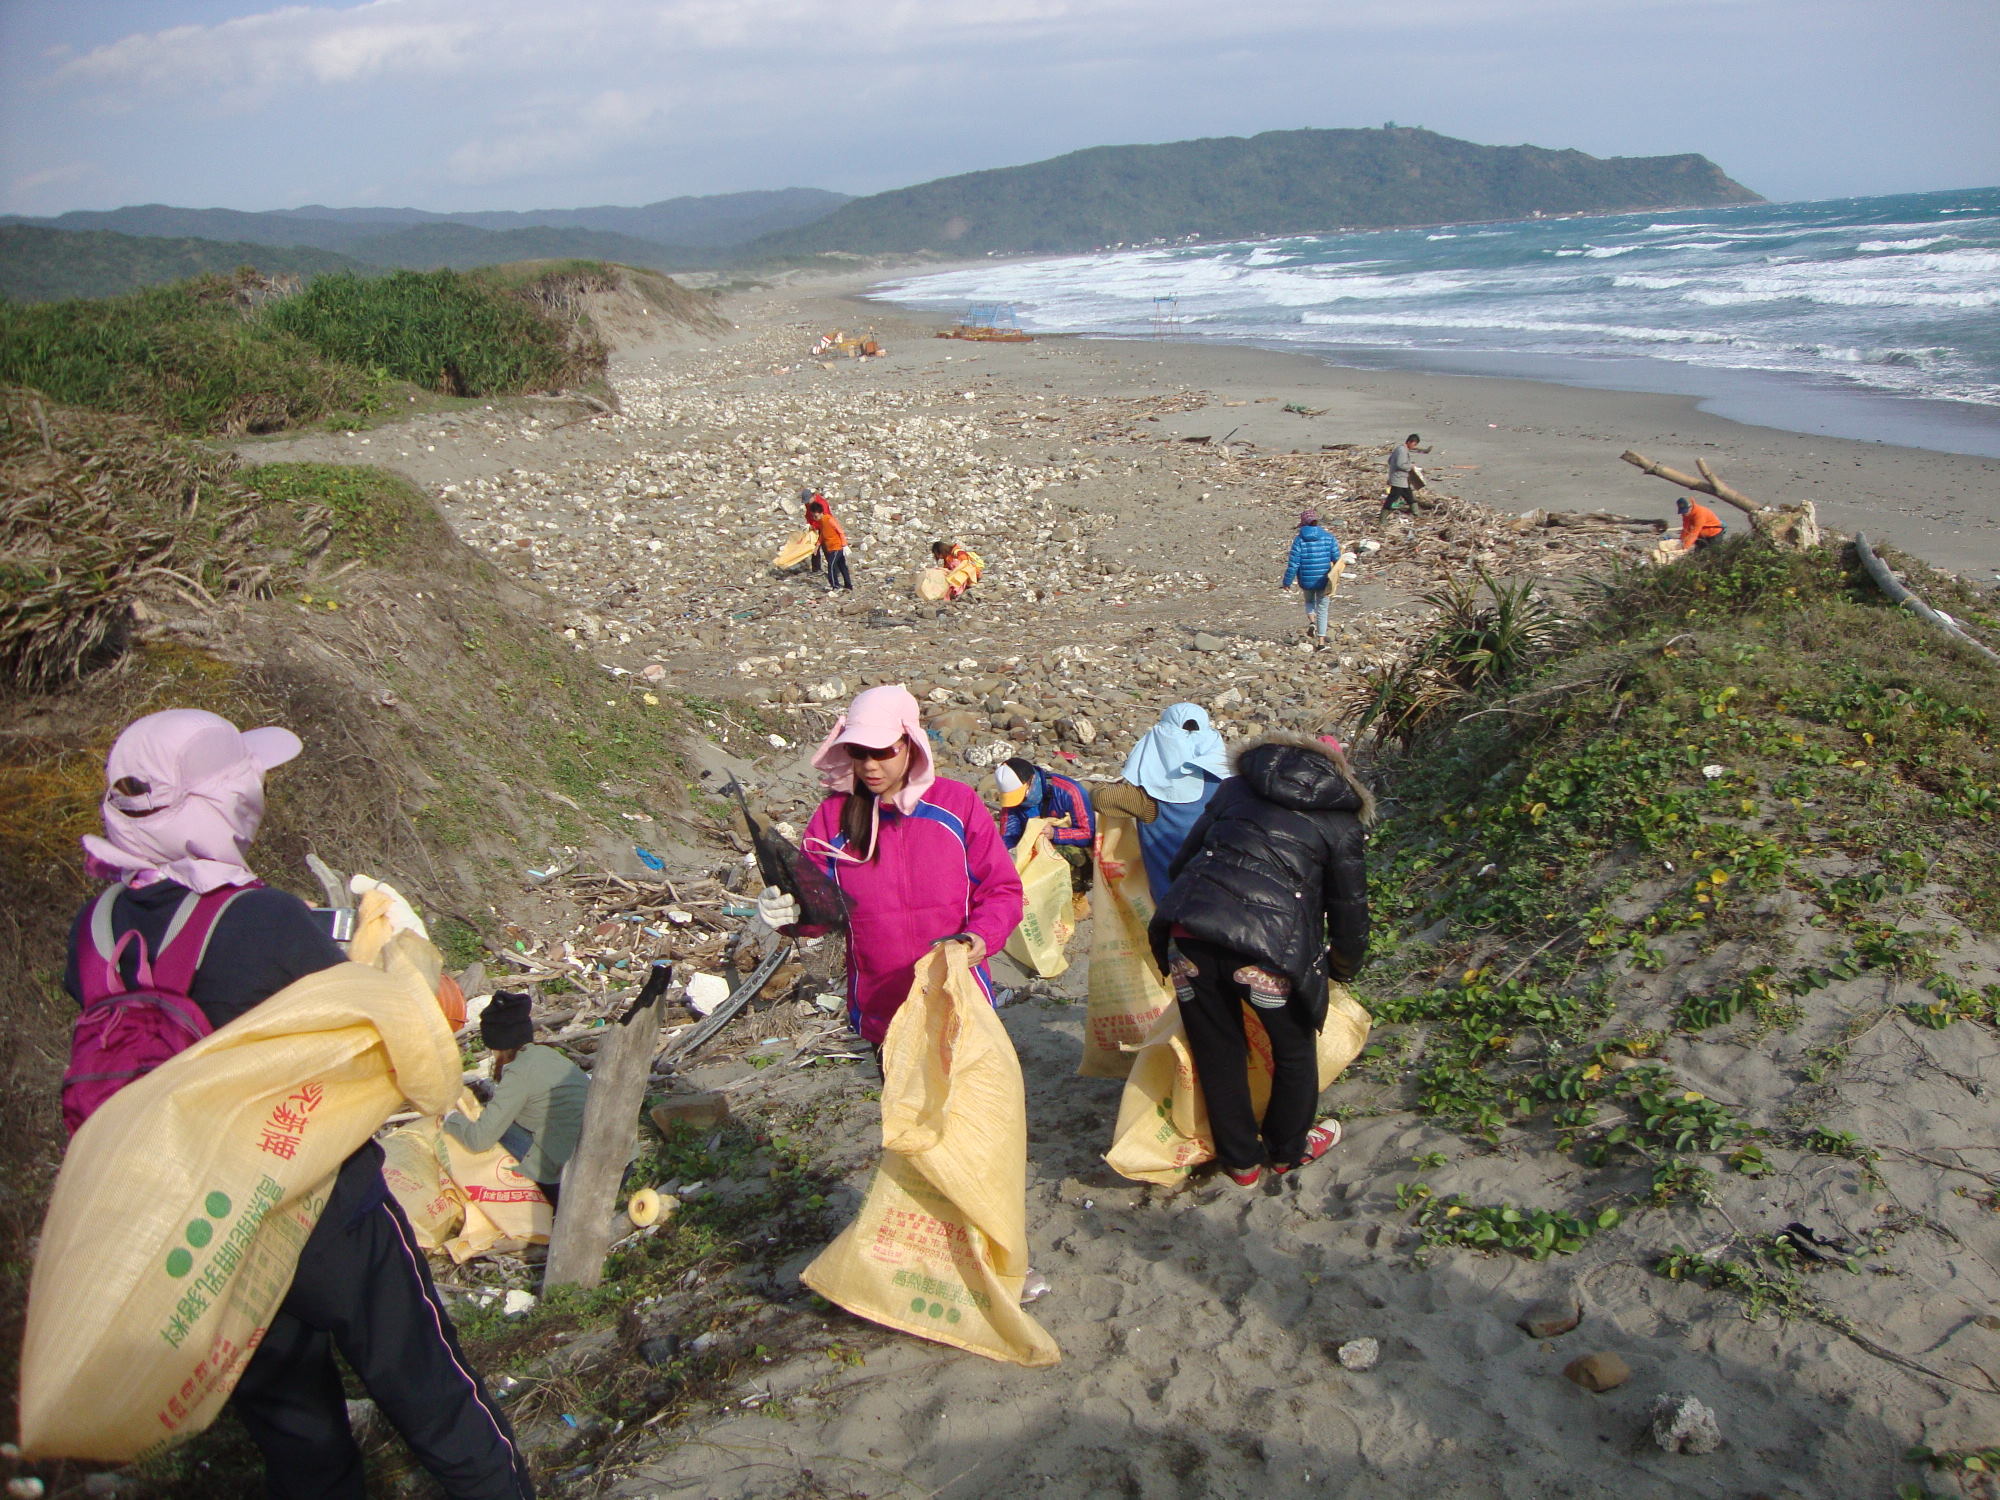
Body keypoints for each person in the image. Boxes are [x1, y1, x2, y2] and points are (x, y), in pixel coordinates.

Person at [62, 708, 532, 1499]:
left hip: (205, 1225)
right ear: (223, 801)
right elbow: (389, 1047)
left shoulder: (94, 929)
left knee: (299, 1444)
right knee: (432, 1397)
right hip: (322, 1204)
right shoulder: (263, 919)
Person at [1147, 731, 1372, 1187]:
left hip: (1188, 939)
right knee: (1293, 1051)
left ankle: (1242, 1162)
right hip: (1264, 955)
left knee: (1218, 1049)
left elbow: (1182, 863)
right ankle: (1288, 1151)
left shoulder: (1235, 790)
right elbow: (1348, 908)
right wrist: (1342, 967)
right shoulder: (1341, 821)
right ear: (1338, 771)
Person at [756, 685, 1022, 1046]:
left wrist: (981, 936)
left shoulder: (956, 804)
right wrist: (788, 914)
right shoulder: (832, 819)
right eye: (858, 752)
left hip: (959, 1000)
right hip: (884, 1012)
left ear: (910, 742)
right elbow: (817, 913)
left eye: (882, 751)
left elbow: (1001, 889)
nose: (869, 765)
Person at [443, 991, 586, 1211]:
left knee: (501, 1129)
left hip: (576, 1180)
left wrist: (451, 1120)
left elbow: (479, 1139)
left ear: (497, 1044)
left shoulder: (518, 1073)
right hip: (615, 1161)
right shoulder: (548, 1055)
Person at [1092, 704, 1232, 899]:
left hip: (1174, 902)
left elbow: (1102, 799)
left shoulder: (1149, 800)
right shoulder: (1232, 786)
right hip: (1227, 894)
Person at [994, 757, 1097, 918]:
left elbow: (1087, 833)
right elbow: (1007, 836)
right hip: (1035, 849)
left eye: (1022, 796)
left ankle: (1076, 897)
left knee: (1074, 856)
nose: (1020, 802)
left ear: (1032, 781)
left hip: (1070, 847)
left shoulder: (1068, 791)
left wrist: (1055, 834)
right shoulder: (1012, 804)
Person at [1280, 509, 1342, 642]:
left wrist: (1287, 582)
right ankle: (1321, 642)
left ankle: (1312, 622)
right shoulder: (1328, 537)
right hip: (1324, 579)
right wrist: (1336, 577)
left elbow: (1293, 564)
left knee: (1309, 602)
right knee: (1323, 609)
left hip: (1306, 580)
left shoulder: (1299, 540)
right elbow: (1337, 559)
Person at [805, 494, 852, 591]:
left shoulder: (829, 520)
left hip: (836, 547)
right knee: (842, 566)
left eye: (815, 516)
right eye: (813, 516)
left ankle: (835, 586)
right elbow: (822, 535)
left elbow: (840, 531)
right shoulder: (821, 522)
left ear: (821, 513)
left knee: (831, 566)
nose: (814, 518)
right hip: (831, 547)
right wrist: (817, 546)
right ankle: (848, 585)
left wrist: (845, 545)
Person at [1382, 433, 1430, 515]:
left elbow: (1390, 461)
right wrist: (1411, 466)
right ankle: (1382, 518)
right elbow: (1400, 464)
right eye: (1414, 445)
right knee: (1393, 497)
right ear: (1410, 442)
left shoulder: (1399, 449)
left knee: (1409, 495)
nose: (1414, 447)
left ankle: (1416, 513)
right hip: (1398, 479)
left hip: (1402, 479)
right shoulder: (1402, 451)